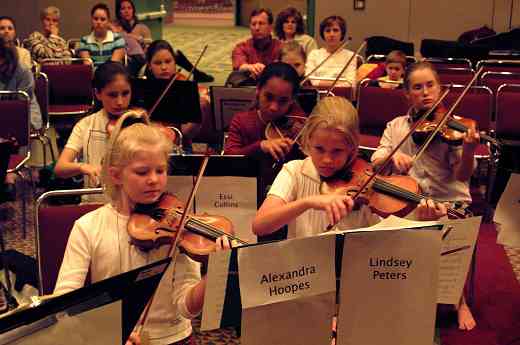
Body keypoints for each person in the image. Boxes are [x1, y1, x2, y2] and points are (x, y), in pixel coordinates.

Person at [54, 110, 231, 345]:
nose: (154, 180)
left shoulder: (179, 229)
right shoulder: (88, 226)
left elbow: (186, 307)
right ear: (115, 175)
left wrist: (214, 275)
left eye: (160, 170)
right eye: (142, 172)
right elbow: (65, 300)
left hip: (173, 338)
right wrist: (104, 333)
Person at [371, 61, 478, 330]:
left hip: (448, 201)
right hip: (408, 200)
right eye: (417, 87)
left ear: (440, 89)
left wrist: (468, 151)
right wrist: (393, 157)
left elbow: (463, 176)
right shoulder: (396, 126)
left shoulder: (453, 127)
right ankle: (399, 288)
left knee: (445, 223)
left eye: (430, 85)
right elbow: (375, 160)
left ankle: (459, 299)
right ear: (407, 94)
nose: (425, 92)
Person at [252, 96, 447, 239]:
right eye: (319, 149)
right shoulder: (294, 171)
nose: (327, 159)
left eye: (337, 151)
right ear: (308, 140)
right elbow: (260, 226)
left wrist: (422, 220)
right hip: (305, 279)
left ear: (352, 148)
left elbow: (391, 242)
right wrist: (309, 202)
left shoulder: (366, 184)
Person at [54, 61, 131, 192]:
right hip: (95, 199)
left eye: (125, 93)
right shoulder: (86, 125)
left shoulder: (136, 122)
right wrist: (83, 167)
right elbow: (60, 168)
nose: (120, 102)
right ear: (98, 93)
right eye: (112, 95)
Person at [116, 0, 214, 82]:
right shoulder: (116, 27)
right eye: (123, 8)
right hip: (132, 61)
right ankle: (196, 73)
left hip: (146, 56)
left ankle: (196, 73)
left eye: (129, 8)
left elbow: (150, 47)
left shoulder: (142, 27)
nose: (127, 11)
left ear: (133, 10)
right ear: (119, 11)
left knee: (174, 54)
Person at [224, 62, 305, 160]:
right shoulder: (241, 121)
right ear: (258, 90)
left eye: (283, 101)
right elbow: (228, 157)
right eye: (269, 97)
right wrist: (261, 146)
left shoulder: (299, 119)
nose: (273, 108)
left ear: (292, 99)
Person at [143, 40, 207, 147]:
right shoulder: (142, 87)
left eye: (168, 61)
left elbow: (187, 132)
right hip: (150, 145)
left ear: (175, 62)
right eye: (158, 63)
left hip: (179, 145)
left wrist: (199, 110)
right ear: (149, 65)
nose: (164, 67)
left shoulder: (184, 85)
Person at [0, 36, 42, 200]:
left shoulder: (22, 72)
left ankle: (9, 176)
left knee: (15, 131)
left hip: (24, 112)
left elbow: (21, 105)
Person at [305, 16, 356, 88]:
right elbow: (310, 80)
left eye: (335, 30)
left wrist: (321, 83)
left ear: (342, 33)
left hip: (341, 96)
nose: (331, 34)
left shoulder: (351, 56)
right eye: (328, 31)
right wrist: (338, 82)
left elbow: (350, 83)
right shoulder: (314, 54)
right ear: (323, 34)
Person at [231, 8, 282, 79]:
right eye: (253, 24)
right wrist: (251, 67)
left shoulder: (280, 47)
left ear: (271, 27)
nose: (257, 28)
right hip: (248, 86)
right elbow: (239, 65)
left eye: (261, 23)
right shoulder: (241, 47)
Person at [78, 3, 125, 67]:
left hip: (112, 74)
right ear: (91, 20)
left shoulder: (118, 39)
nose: (99, 22)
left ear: (108, 21)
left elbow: (114, 65)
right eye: (95, 19)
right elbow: (88, 65)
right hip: (93, 75)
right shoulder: (84, 41)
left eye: (103, 19)